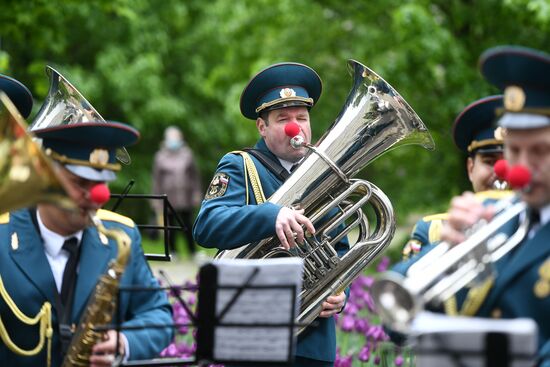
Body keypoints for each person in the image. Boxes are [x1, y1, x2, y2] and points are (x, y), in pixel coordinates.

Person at [400, 46, 550, 365]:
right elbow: (398, 323)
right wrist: (445, 245)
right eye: (514, 151)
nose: (520, 168)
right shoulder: (498, 218)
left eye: (539, 151)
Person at [193, 62, 347, 367]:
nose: (296, 127)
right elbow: (206, 225)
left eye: (302, 118)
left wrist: (342, 293)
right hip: (254, 336)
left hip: (312, 344)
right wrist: (269, 215)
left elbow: (342, 252)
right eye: (283, 119)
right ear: (262, 127)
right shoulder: (240, 165)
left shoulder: (323, 174)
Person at [0, 121, 173, 366]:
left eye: (101, 184)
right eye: (80, 183)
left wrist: (124, 342)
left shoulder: (122, 235)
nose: (96, 198)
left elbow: (158, 316)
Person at [402, 95, 508, 260]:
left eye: (512, 161)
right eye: (489, 161)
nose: (500, 171)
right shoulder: (431, 230)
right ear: (471, 169)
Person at [151, 126, 202, 258]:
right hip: (167, 198)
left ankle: (193, 252)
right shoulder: (160, 156)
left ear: (181, 139)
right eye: (170, 138)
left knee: (188, 225)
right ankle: (173, 252)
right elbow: (156, 180)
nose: (173, 140)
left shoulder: (187, 154)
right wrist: (156, 200)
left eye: (176, 137)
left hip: (185, 197)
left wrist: (197, 194)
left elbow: (195, 176)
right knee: (170, 227)